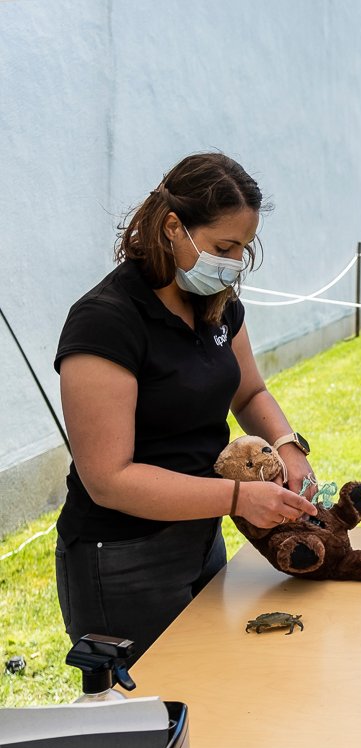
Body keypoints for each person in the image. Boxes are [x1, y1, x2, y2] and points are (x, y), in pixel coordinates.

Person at [54, 153, 319, 661]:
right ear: (174, 227)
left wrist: (288, 447)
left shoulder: (216, 301)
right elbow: (109, 479)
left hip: (200, 535)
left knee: (212, 686)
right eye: (224, 247)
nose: (234, 263)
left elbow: (250, 393)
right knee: (156, 700)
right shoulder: (106, 320)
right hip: (123, 558)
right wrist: (239, 498)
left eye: (243, 248)